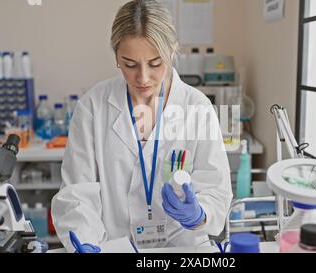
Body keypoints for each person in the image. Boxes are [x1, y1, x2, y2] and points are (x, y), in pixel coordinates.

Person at [51, 0, 232, 253]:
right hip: (113, 245)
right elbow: (77, 192)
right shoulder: (93, 106)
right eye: (130, 64)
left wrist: (199, 214)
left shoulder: (197, 107)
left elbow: (216, 188)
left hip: (183, 248)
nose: (143, 77)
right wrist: (87, 240)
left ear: (172, 52)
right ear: (116, 56)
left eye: (155, 63)